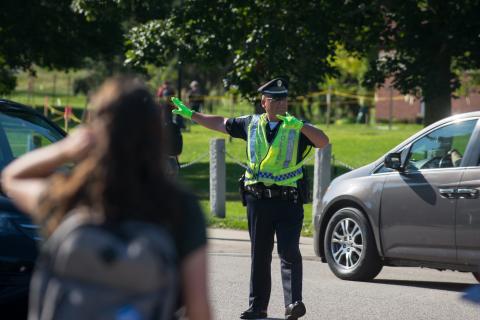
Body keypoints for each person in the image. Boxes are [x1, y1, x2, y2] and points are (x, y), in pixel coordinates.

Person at [1, 77, 211, 320]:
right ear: (155, 134)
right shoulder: (179, 205)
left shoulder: (71, 196)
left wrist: (66, 149)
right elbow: (199, 311)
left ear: (95, 129)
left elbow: (12, 177)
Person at [171, 78, 329, 320]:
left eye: (284, 99)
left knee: (289, 252)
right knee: (260, 255)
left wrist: (300, 127)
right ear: (263, 102)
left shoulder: (297, 126)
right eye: (275, 100)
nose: (281, 104)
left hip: (289, 200)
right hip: (258, 200)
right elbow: (221, 123)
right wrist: (193, 115)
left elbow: (322, 141)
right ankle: (257, 308)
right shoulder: (251, 123)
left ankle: (293, 303)